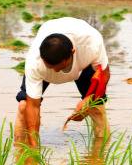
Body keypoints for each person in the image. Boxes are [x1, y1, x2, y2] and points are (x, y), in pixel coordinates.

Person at [14, 17, 110, 147]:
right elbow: (33, 106)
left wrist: (89, 100)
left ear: (72, 52)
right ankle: (20, 150)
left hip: (83, 64)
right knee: (24, 106)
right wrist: (34, 148)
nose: (55, 71)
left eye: (59, 67)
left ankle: (101, 154)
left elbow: (104, 74)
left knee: (96, 107)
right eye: (50, 67)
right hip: (45, 64)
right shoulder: (34, 62)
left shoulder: (91, 44)